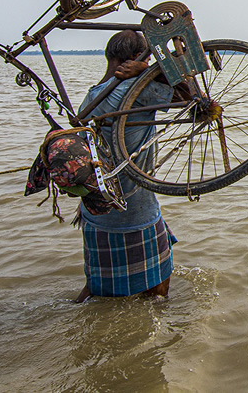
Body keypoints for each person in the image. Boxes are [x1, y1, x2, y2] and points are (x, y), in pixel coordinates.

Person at [75, 30, 180, 303]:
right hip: (136, 212)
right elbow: (193, 99)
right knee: (158, 294)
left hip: (96, 212)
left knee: (97, 292)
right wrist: (149, 69)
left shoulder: (91, 98)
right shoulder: (137, 91)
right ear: (134, 58)